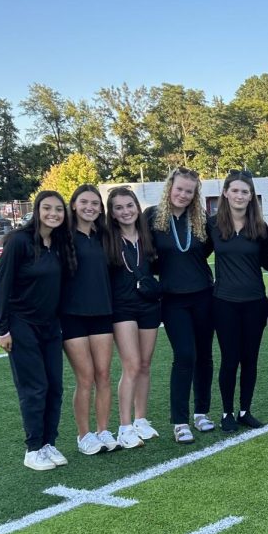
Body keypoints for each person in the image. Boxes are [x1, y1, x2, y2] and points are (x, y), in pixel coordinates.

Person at [0, 191, 76, 470]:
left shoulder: (59, 244)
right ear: (37, 210)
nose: (53, 213)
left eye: (59, 209)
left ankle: (49, 442)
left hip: (50, 326)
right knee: (34, 388)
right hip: (21, 324)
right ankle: (33, 449)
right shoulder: (19, 241)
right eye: (47, 208)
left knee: (54, 386)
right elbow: (2, 286)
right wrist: (3, 329)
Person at [148, 168, 214, 443]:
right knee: (185, 355)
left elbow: (207, 250)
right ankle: (179, 421)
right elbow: (147, 254)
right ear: (169, 188)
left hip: (203, 295)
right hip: (173, 299)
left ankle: (201, 412)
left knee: (205, 356)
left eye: (189, 191)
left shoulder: (201, 220)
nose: (183, 195)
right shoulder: (152, 217)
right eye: (179, 189)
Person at [208, 170, 268, 431]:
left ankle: (245, 410)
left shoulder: (260, 227)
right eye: (235, 190)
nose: (240, 195)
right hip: (224, 303)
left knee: (250, 358)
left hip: (255, 302)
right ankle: (227, 413)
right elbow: (194, 256)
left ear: (251, 196)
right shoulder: (212, 225)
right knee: (230, 358)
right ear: (225, 193)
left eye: (245, 191)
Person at [61, 184, 117, 455]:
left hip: (103, 314)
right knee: (85, 378)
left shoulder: (104, 236)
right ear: (74, 205)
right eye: (84, 202)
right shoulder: (64, 237)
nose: (90, 207)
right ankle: (83, 435)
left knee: (104, 375)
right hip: (72, 316)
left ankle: (103, 429)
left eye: (95, 203)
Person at [105, 186, 160, 448]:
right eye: (119, 207)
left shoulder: (147, 235)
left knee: (146, 364)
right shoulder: (107, 238)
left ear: (137, 207)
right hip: (122, 307)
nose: (125, 211)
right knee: (132, 365)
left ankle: (141, 419)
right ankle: (124, 426)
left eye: (129, 206)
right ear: (112, 213)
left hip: (149, 305)